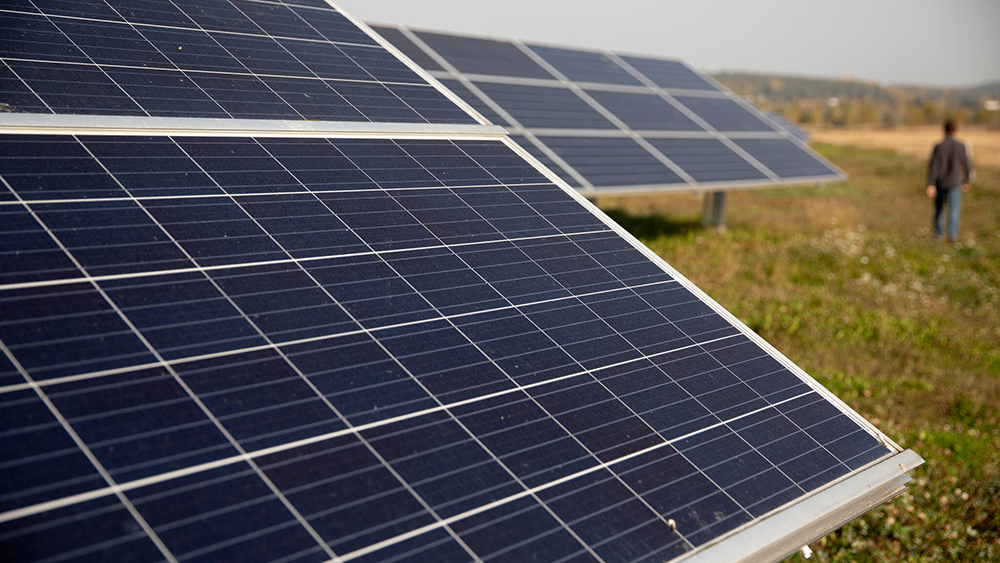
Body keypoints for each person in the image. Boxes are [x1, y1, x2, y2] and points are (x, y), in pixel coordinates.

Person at [926, 120, 973, 241]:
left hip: (940, 183)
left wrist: (931, 183)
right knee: (954, 211)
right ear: (955, 130)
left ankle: (939, 235)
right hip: (955, 183)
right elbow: (967, 164)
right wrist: (967, 180)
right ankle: (952, 236)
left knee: (939, 211)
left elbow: (934, 166)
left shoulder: (939, 146)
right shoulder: (961, 145)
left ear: (944, 130)